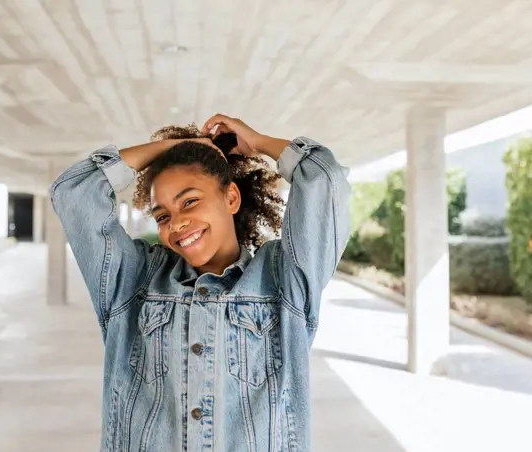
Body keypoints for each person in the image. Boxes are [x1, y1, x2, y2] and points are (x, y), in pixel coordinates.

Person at [50, 114, 351, 451]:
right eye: (163, 215)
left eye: (189, 201)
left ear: (231, 198)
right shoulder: (134, 282)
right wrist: (175, 148)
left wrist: (259, 142)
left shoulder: (285, 281)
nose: (177, 223)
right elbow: (74, 192)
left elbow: (325, 180)